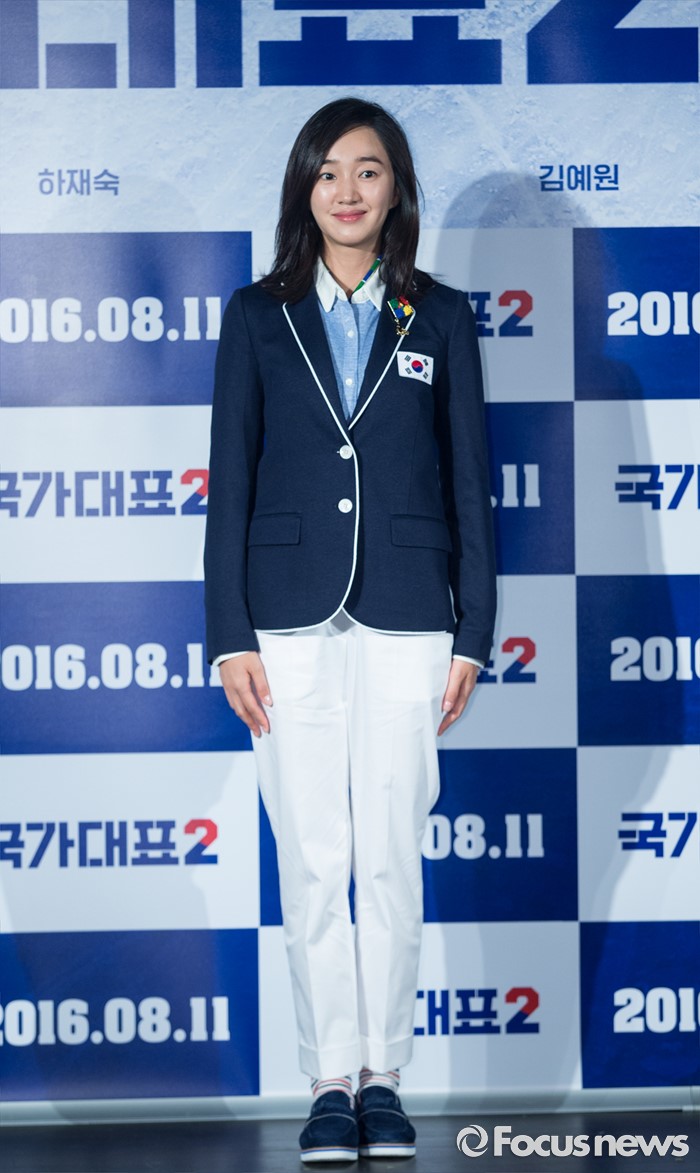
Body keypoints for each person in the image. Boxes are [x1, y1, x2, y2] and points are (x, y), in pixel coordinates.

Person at [204, 97, 496, 1163]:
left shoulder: (441, 316)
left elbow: (470, 483)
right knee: (314, 858)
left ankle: (385, 1077)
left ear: (395, 187)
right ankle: (330, 1079)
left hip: (411, 616)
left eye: (367, 170)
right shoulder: (256, 314)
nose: (347, 190)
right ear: (303, 187)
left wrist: (473, 633)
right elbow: (229, 482)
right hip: (283, 621)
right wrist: (229, 633)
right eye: (327, 171)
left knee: (389, 860)